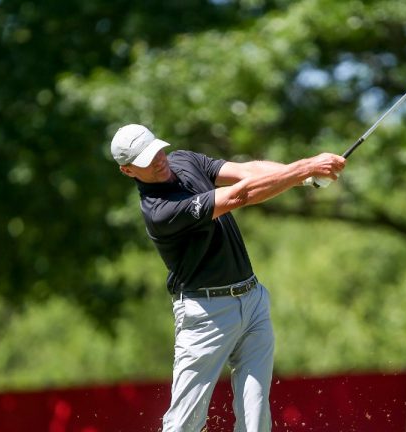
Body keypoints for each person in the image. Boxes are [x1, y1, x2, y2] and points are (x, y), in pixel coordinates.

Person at [110, 124, 346, 432]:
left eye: (156, 150)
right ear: (128, 171)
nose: (158, 160)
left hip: (252, 301)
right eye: (146, 160)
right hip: (206, 315)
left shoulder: (183, 160)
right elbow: (240, 195)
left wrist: (304, 177)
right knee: (184, 423)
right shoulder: (160, 211)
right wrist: (306, 166)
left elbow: (247, 171)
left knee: (256, 420)